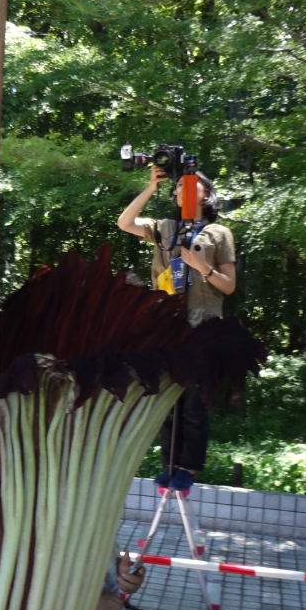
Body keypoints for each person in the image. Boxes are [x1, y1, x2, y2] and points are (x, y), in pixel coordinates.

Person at [117, 164, 236, 493]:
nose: (183, 187)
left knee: (196, 402)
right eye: (179, 185)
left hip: (204, 327)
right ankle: (168, 463)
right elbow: (125, 223)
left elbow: (229, 287)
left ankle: (188, 467)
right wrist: (149, 189)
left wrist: (204, 268)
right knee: (168, 400)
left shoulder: (219, 234)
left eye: (192, 183)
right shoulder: (165, 227)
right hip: (168, 326)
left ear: (207, 194)